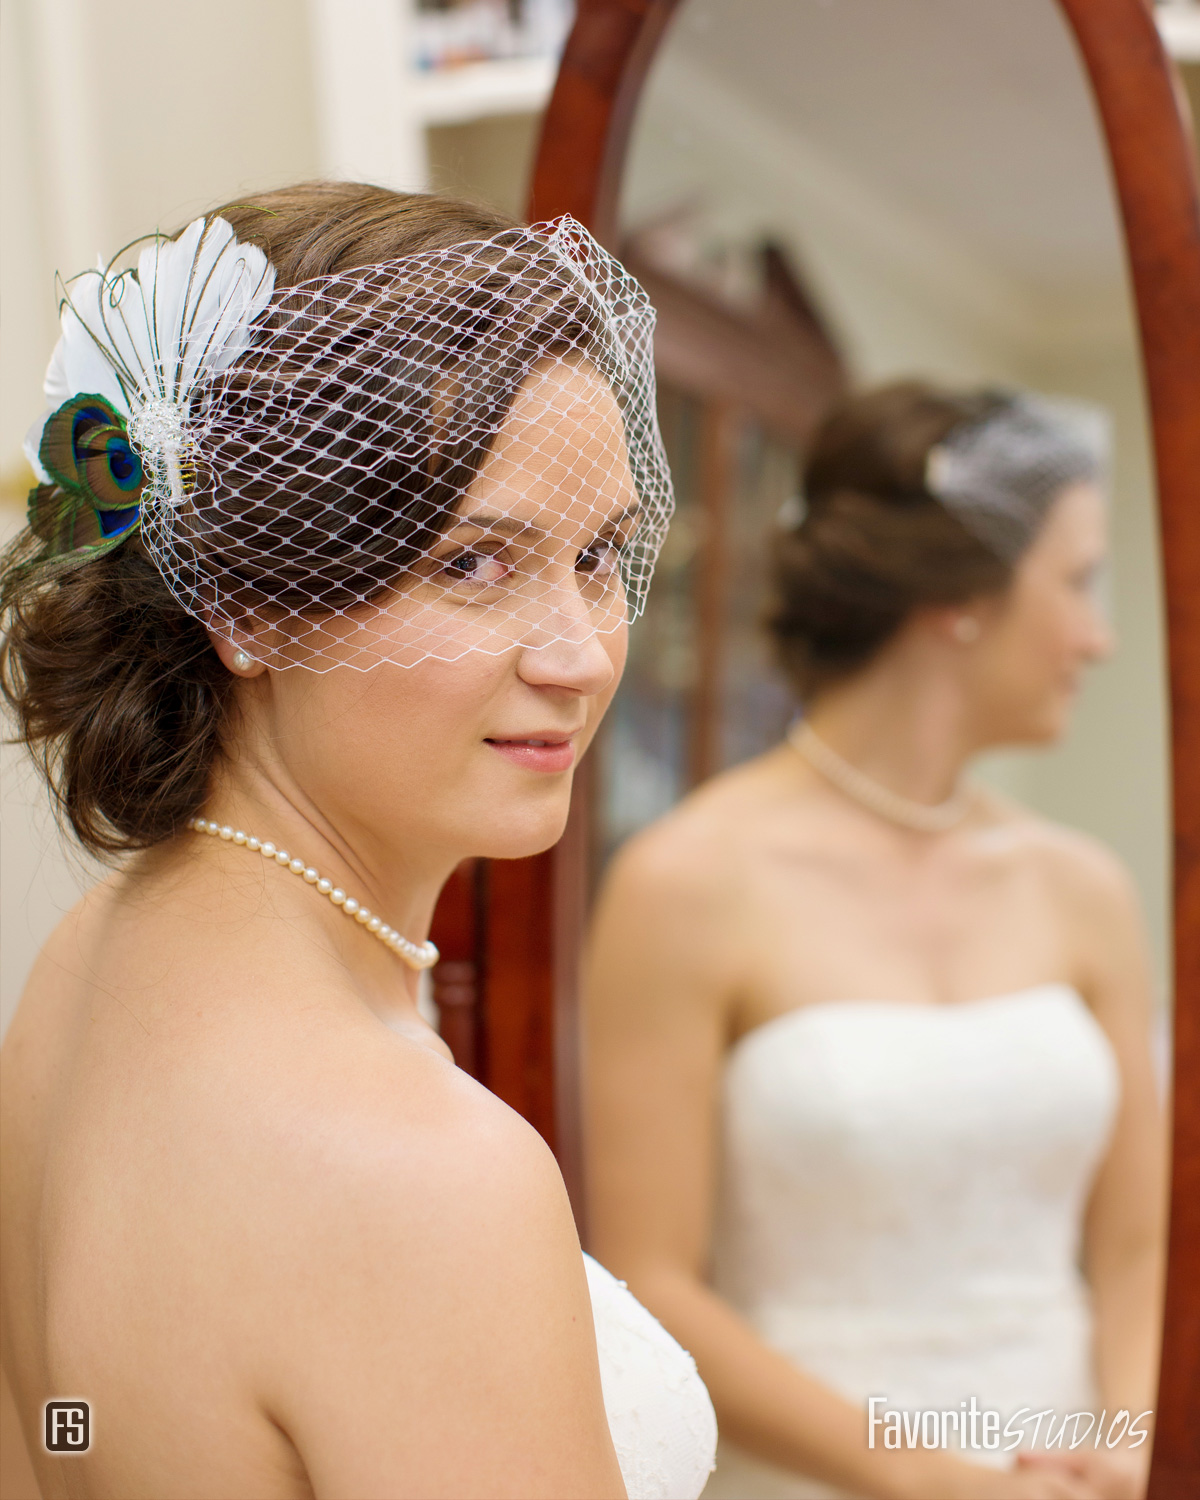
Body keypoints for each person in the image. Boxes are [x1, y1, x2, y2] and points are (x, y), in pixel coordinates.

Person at [0, 181, 716, 1500]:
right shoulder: (424, 1174)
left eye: (601, 554)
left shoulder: (83, 970)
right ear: (243, 600)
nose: (577, 657)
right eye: (474, 564)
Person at [584, 382, 1165, 1500]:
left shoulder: (1083, 888)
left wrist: (1134, 1444)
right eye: (1079, 583)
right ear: (963, 599)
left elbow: (1140, 1249)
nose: (1100, 638)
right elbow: (655, 1280)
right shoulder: (686, 882)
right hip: (819, 1474)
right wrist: (940, 1476)